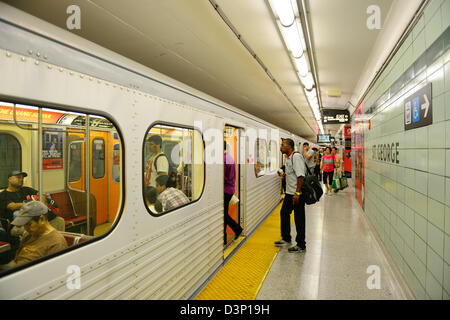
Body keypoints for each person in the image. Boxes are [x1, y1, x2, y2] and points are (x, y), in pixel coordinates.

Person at [0, 171, 65, 232]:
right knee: (38, 228)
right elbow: (12, 206)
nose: (21, 180)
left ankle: (56, 242)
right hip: (18, 225)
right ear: (9, 179)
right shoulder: (3, 195)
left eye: (22, 178)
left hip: (35, 220)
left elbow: (41, 194)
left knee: (59, 221)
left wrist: (42, 201)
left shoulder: (26, 189)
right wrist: (32, 203)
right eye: (18, 177)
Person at [10, 201, 67, 267]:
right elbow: (17, 258)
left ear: (42, 219)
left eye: (28, 224)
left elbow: (52, 271)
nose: (26, 228)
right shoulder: (28, 235)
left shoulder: (56, 243)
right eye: (24, 225)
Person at [275, 138, 306, 253]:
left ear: (289, 147)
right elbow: (292, 174)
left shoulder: (296, 157)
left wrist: (297, 193)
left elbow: (301, 176)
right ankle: (286, 238)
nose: (281, 147)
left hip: (296, 194)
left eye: (283, 145)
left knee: (299, 219)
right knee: (284, 213)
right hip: (289, 193)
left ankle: (301, 245)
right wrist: (284, 175)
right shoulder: (288, 158)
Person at [223, 142, 242, 245]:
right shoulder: (229, 158)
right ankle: (225, 238)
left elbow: (226, 178)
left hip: (226, 190)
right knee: (224, 214)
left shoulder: (224, 160)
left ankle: (237, 229)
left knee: (224, 215)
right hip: (230, 189)